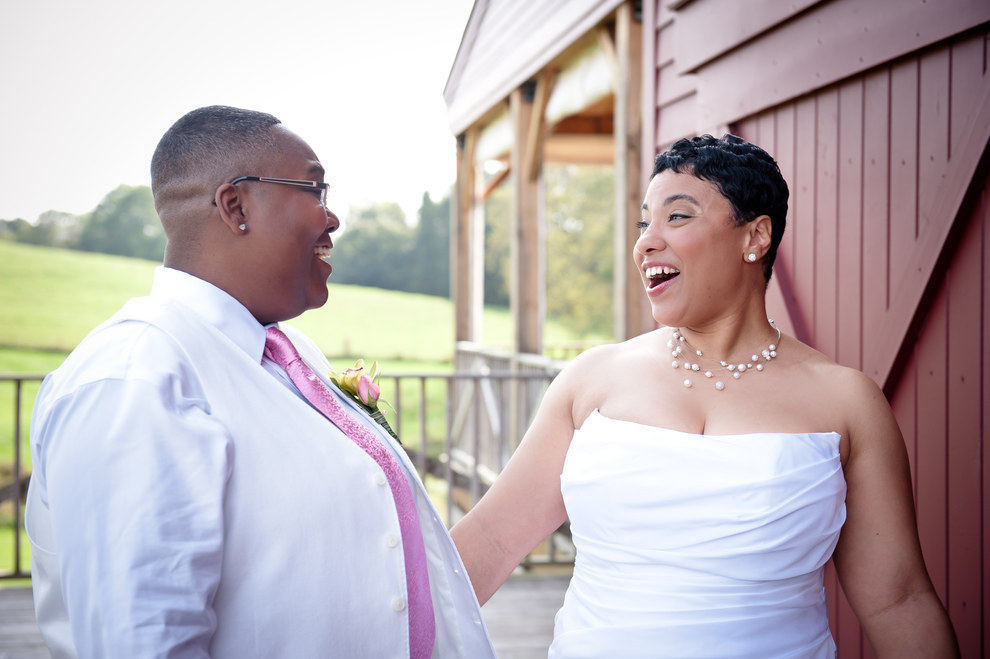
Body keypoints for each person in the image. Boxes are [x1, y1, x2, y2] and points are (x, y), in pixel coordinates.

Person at [451, 134, 959, 657]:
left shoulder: (848, 402)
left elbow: (898, 601)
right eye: (644, 223)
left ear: (755, 236)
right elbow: (488, 543)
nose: (646, 242)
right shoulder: (591, 379)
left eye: (677, 217)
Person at [25, 105, 496, 658]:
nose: (333, 217)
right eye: (314, 189)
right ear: (235, 205)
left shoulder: (295, 356)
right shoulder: (135, 377)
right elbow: (145, 639)